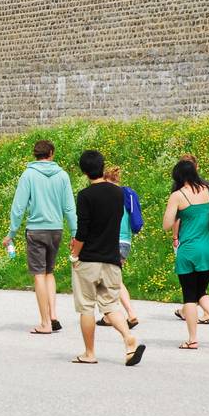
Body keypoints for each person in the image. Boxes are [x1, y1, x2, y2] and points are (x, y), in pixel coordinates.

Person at [69, 150, 146, 366]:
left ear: (84, 171)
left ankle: (89, 353)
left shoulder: (85, 196)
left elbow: (82, 231)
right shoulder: (118, 194)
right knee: (110, 305)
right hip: (112, 258)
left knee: (86, 307)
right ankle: (128, 338)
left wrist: (75, 254)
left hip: (89, 259)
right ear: (103, 167)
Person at [3, 140, 77, 334]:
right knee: (49, 273)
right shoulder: (62, 175)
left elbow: (18, 207)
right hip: (56, 230)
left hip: (36, 230)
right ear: (51, 153)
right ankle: (53, 316)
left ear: (34, 154)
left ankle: (44, 323)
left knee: (39, 274)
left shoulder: (28, 175)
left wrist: (11, 233)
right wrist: (75, 233)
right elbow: (69, 207)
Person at [163, 159, 209, 350]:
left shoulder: (177, 195)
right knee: (202, 292)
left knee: (190, 296)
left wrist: (178, 213)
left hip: (189, 251)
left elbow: (167, 225)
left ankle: (192, 340)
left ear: (178, 176)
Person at [95, 166, 140, 328]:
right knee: (113, 278)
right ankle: (109, 316)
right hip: (125, 243)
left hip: (111, 241)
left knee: (114, 280)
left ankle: (130, 313)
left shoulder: (106, 196)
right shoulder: (127, 194)